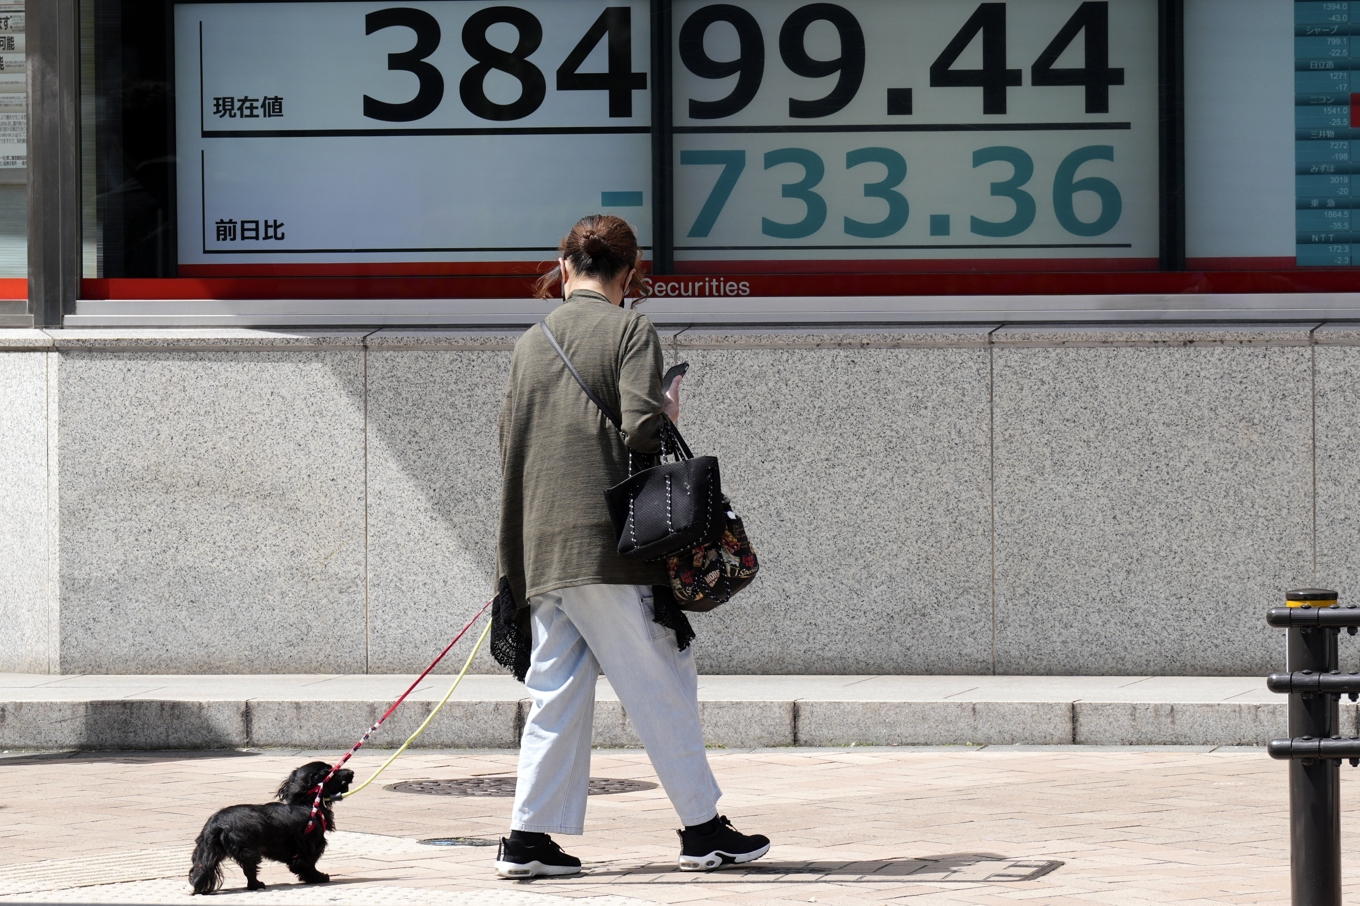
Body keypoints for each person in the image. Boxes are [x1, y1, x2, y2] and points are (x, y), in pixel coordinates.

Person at [490, 214, 770, 878]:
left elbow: (510, 443)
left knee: (556, 692)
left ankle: (528, 840)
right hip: (610, 546)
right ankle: (703, 830)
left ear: (565, 266)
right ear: (630, 274)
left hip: (541, 548)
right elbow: (643, 429)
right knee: (662, 677)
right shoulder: (630, 330)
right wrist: (667, 409)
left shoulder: (531, 342)